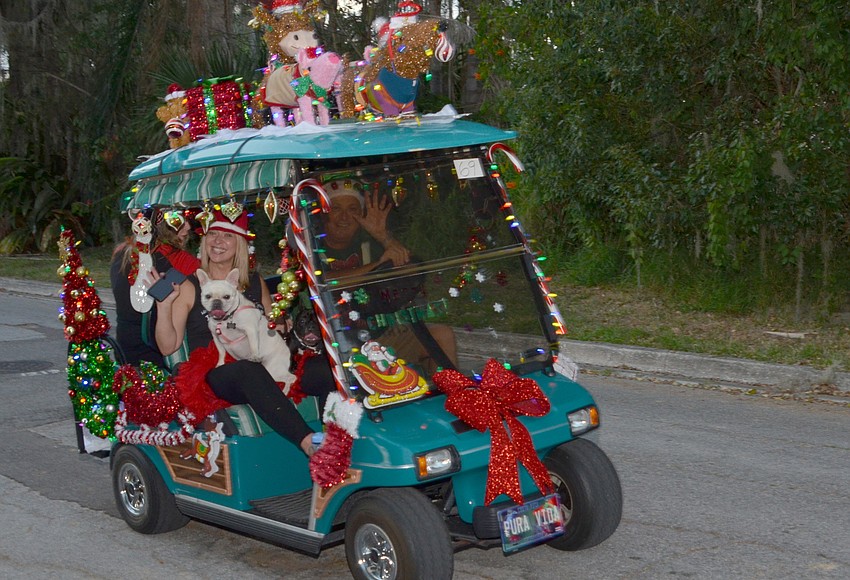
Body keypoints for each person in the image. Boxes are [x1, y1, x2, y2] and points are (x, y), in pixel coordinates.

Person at [151, 206, 327, 456]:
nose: (218, 241)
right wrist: (164, 306)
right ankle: (309, 442)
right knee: (249, 369)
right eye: (212, 234)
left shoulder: (254, 282)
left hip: (258, 360)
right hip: (217, 371)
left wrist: (280, 325)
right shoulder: (190, 285)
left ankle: (339, 436)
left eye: (227, 235)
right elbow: (168, 346)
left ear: (240, 244)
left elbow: (270, 330)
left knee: (323, 367)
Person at [321, 179, 458, 374]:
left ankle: (453, 397)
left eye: (352, 209)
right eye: (335, 208)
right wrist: (377, 265)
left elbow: (411, 273)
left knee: (441, 335)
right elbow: (325, 283)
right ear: (324, 214)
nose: (344, 217)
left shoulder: (368, 245)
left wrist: (383, 236)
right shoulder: (311, 246)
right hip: (334, 343)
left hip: (378, 335)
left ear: (361, 215)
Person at [110, 207, 199, 367]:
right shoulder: (178, 262)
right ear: (162, 224)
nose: (188, 227)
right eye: (180, 219)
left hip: (124, 353)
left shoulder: (121, 254)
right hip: (156, 358)